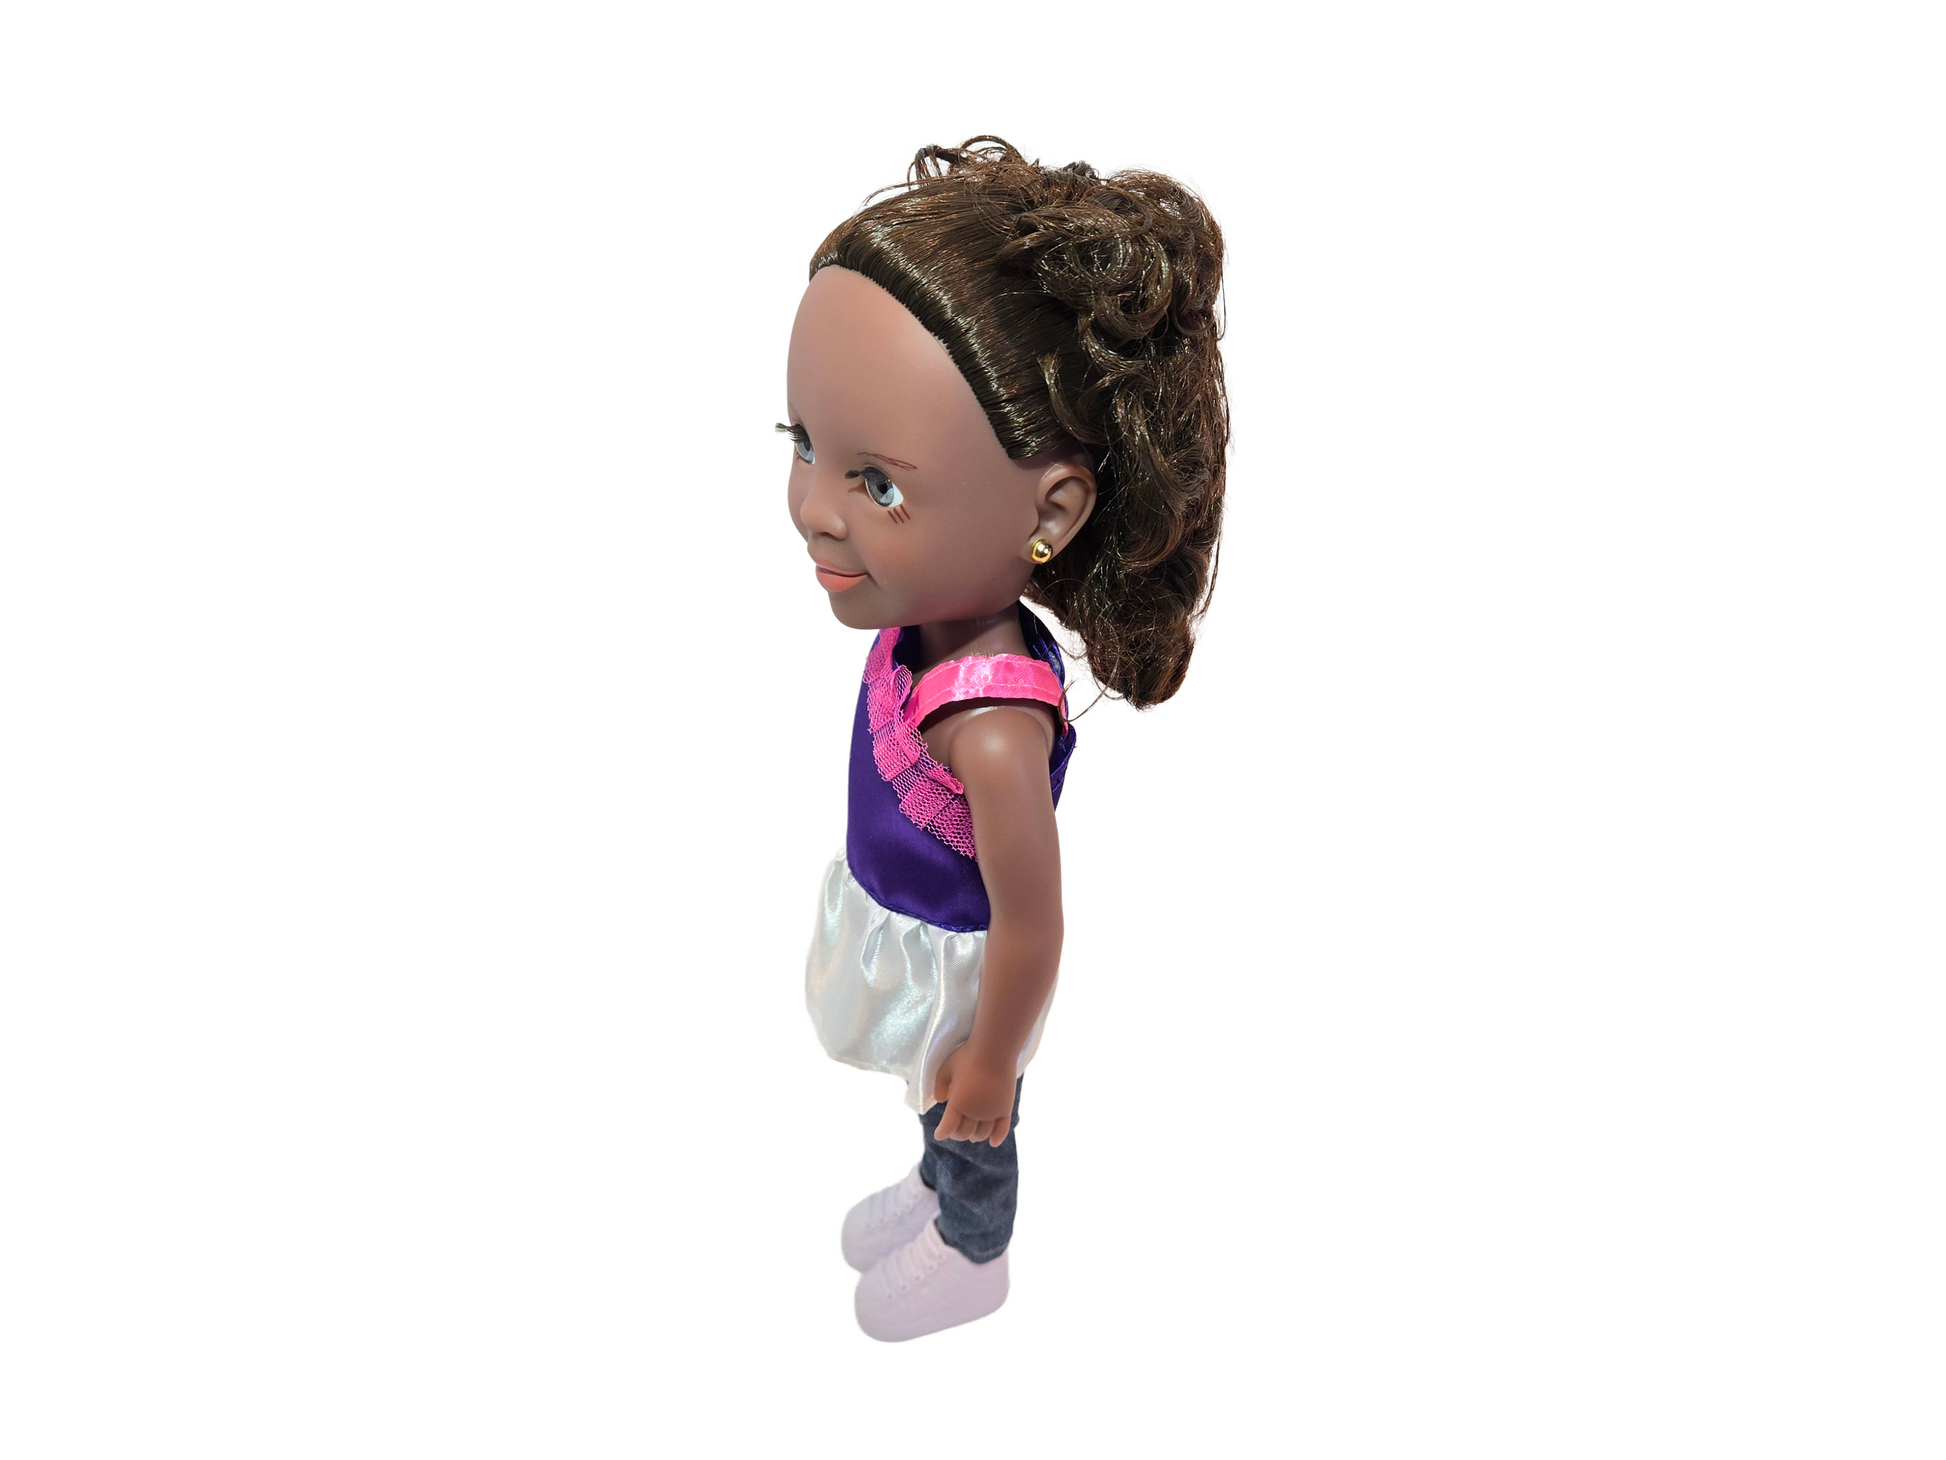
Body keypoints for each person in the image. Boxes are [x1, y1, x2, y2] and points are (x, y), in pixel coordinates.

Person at [786, 136, 1229, 1341]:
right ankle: (936, 1178)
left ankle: (971, 1240)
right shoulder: (916, 619)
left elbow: (1032, 923)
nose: (816, 507)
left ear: (1051, 510)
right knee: (926, 1096)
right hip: (906, 934)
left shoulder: (989, 726)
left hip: (967, 977)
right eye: (803, 443)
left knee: (969, 1113)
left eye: (878, 483)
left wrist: (991, 1060)